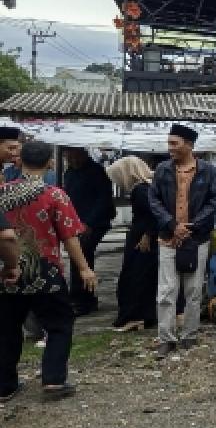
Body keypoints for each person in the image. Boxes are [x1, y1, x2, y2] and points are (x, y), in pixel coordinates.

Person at [0, 141, 96, 401]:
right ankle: (53, 380)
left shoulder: (2, 192)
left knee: (8, 326)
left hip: (8, 269)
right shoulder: (54, 195)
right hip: (45, 269)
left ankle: (5, 385)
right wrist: (85, 268)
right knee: (59, 323)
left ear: (19, 161)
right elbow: (69, 236)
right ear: (50, 163)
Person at [149, 124, 216, 358]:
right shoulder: (162, 170)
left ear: (189, 145)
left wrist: (192, 227)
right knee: (166, 290)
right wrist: (173, 225)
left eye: (174, 143)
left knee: (193, 290)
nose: (169, 148)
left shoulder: (208, 171)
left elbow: (213, 202)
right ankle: (166, 338)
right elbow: (154, 201)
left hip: (196, 238)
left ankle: (190, 335)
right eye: (169, 143)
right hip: (168, 237)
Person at [106, 156, 158, 331]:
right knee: (142, 278)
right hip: (142, 235)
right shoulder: (147, 188)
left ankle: (134, 316)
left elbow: (153, 214)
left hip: (142, 238)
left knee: (134, 279)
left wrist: (147, 234)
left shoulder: (141, 191)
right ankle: (142, 316)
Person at [62, 146, 116, 316]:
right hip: (75, 222)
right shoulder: (69, 173)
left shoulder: (97, 172)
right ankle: (81, 297)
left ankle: (84, 299)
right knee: (77, 257)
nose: (71, 160)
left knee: (82, 255)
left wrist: (89, 223)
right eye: (68, 157)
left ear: (83, 154)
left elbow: (103, 200)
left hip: (94, 223)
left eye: (74, 156)